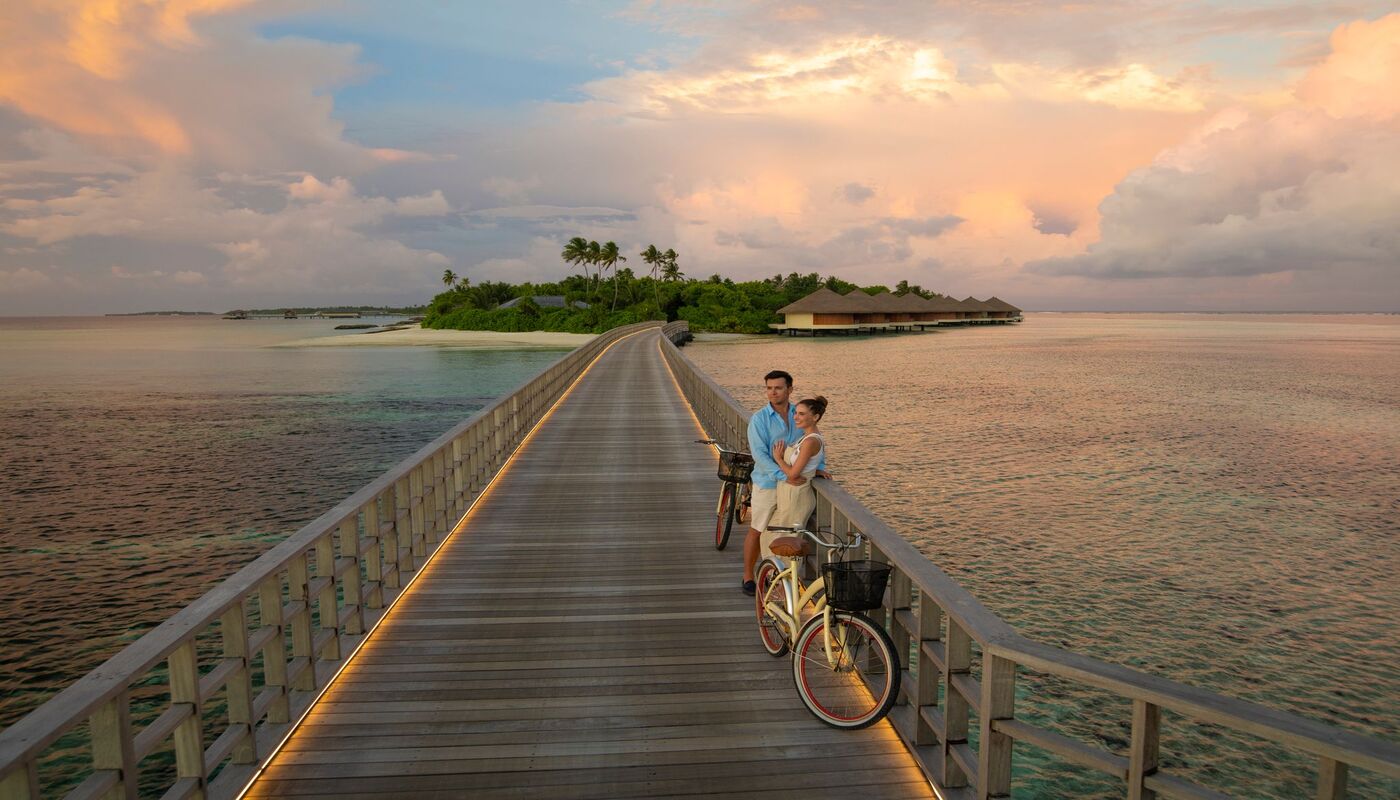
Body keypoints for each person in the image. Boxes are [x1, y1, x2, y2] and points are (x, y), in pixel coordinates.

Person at [741, 370, 826, 594]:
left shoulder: (800, 412)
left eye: (778, 388)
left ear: (790, 389)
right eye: (769, 388)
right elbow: (759, 455)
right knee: (758, 529)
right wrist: (785, 476)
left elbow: (812, 440)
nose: (773, 392)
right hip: (768, 483)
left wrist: (819, 468)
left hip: (792, 485)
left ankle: (780, 577)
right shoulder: (759, 419)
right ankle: (748, 575)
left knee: (785, 531)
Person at [766, 396, 826, 553]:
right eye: (796, 412)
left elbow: (793, 474)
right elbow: (804, 464)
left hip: (797, 497)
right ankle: (774, 576)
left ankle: (789, 577)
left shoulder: (811, 441)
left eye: (801, 414)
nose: (796, 417)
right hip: (788, 496)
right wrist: (815, 470)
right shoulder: (804, 438)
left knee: (788, 547)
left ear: (815, 417)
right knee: (769, 538)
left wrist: (779, 458)